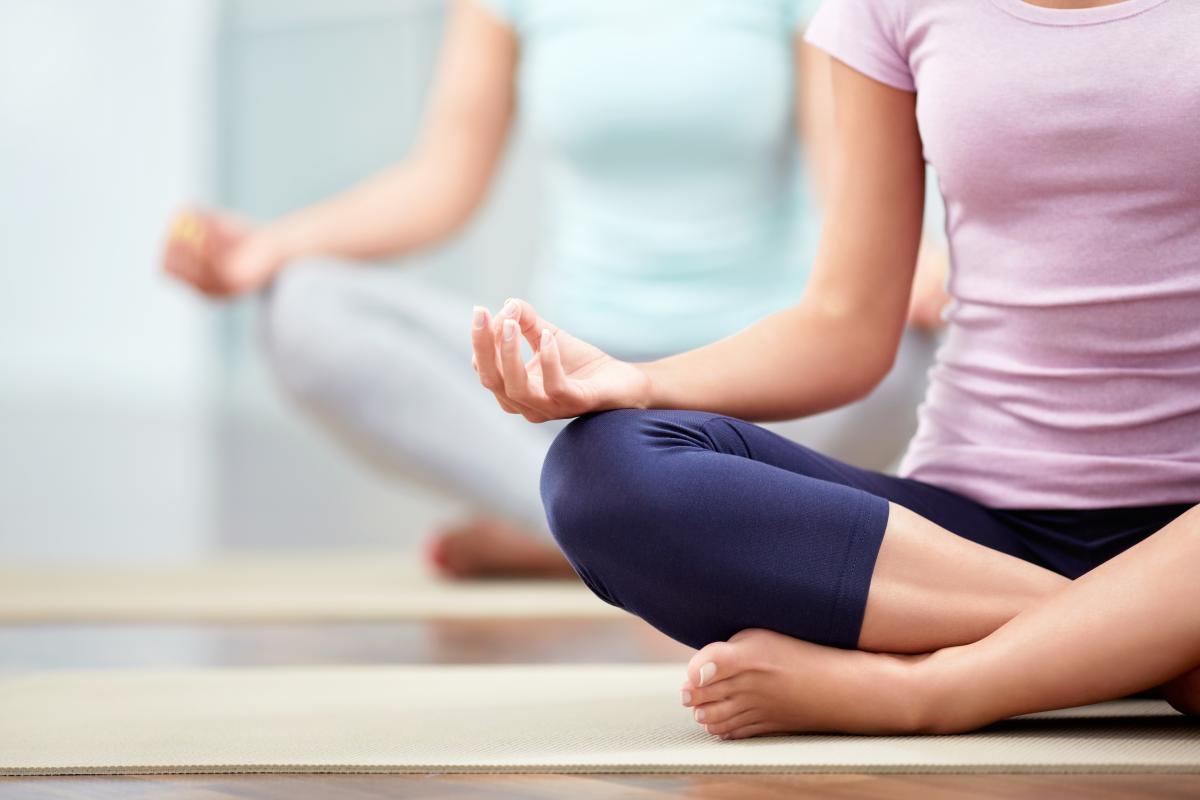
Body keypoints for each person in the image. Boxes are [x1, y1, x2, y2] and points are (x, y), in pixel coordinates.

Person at [469, 0, 1200, 737]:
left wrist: (927, 689)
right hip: (966, 545)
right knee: (601, 472)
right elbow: (846, 327)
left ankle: (932, 688)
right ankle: (1145, 646)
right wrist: (641, 383)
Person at [162, 0, 949, 578]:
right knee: (306, 309)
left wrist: (941, 280)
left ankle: (586, 524)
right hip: (572, 388)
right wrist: (265, 250)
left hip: (759, 385)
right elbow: (440, 183)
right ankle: (614, 520)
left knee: (905, 352)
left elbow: (844, 185)